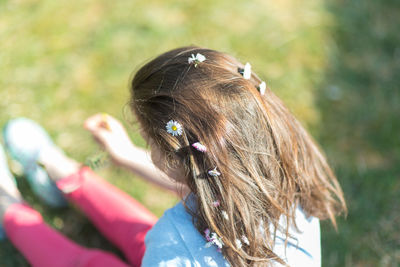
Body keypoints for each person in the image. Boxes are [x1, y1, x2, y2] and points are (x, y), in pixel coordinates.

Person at [0, 46, 346, 267]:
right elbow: (205, 187)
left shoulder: (173, 242)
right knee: (146, 235)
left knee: (89, 262)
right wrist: (125, 156)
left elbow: (173, 245)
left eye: (147, 141)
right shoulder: (286, 178)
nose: (146, 147)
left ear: (179, 160)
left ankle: (9, 209)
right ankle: (64, 175)